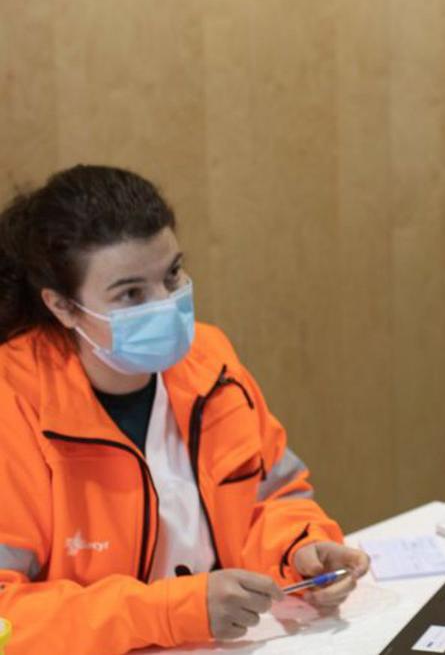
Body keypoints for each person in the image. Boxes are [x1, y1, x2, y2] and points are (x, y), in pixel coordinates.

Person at [0, 166, 370, 653]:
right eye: (132, 293)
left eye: (172, 274)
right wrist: (173, 611)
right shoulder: (14, 405)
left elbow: (272, 499)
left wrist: (302, 549)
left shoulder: (210, 362)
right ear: (63, 306)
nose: (167, 304)